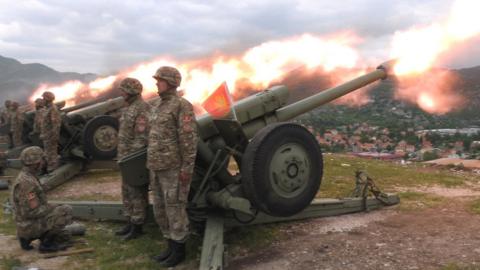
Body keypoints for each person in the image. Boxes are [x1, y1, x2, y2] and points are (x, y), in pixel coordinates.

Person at [148, 66, 198, 267]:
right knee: (160, 209)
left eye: (160, 80)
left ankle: (179, 249)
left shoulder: (182, 106)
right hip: (156, 167)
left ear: (171, 82)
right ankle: (169, 246)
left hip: (173, 168)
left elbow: (188, 140)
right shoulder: (158, 105)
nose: (156, 83)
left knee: (175, 209)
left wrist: (186, 169)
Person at [10, 146, 73, 252]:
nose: (44, 162)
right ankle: (46, 245)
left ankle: (25, 240)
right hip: (29, 226)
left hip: (25, 225)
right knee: (65, 210)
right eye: (42, 159)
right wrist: (51, 207)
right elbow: (31, 212)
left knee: (64, 235)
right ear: (36, 163)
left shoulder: (27, 176)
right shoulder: (27, 183)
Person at [114, 77, 150, 240]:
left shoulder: (142, 108)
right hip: (125, 158)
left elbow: (142, 138)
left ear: (131, 91)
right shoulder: (128, 108)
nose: (121, 93)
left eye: (123, 90)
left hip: (133, 159)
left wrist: (131, 158)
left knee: (137, 193)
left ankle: (138, 225)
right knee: (126, 191)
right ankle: (129, 221)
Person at [40, 91, 61, 172]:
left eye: (44, 98)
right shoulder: (47, 109)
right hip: (47, 136)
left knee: (52, 153)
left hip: (50, 136)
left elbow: (56, 124)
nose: (42, 100)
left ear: (48, 99)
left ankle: (53, 169)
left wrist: (54, 136)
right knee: (48, 153)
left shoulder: (53, 109)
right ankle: (50, 167)